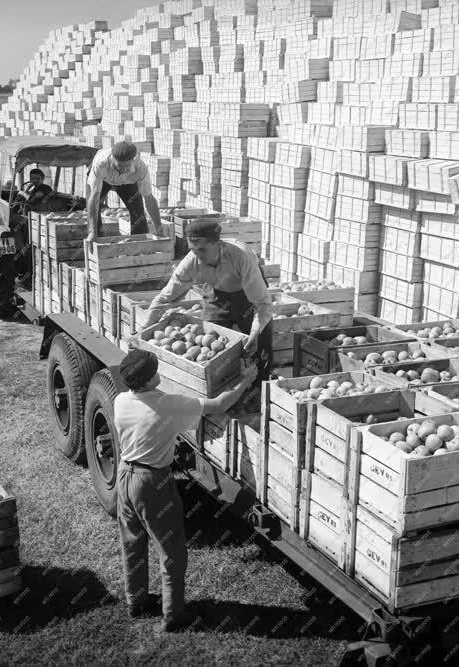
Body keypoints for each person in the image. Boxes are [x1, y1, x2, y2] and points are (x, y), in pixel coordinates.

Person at [114, 349, 257, 632]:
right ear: (146, 379)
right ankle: (173, 616)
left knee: (132, 542)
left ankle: (136, 601)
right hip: (152, 482)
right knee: (172, 551)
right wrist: (246, 379)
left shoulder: (121, 400)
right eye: (155, 371)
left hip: (125, 474)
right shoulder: (167, 405)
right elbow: (219, 404)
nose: (160, 374)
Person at [142, 219, 273, 407]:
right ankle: (222, 398)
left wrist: (254, 333)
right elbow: (165, 299)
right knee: (217, 348)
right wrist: (144, 330)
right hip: (217, 294)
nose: (196, 255)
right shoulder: (191, 263)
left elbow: (262, 305)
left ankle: (259, 400)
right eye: (192, 249)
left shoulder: (241, 258)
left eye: (202, 250)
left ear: (217, 245)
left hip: (247, 294)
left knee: (258, 347)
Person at [85, 141, 165, 241]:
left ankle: (139, 242)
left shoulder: (140, 168)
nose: (124, 170)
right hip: (104, 179)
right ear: (112, 159)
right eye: (120, 167)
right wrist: (92, 231)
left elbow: (149, 199)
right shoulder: (101, 164)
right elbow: (94, 198)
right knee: (93, 207)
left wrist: (158, 227)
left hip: (128, 181)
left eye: (127, 167)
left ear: (133, 160)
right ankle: (96, 240)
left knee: (137, 208)